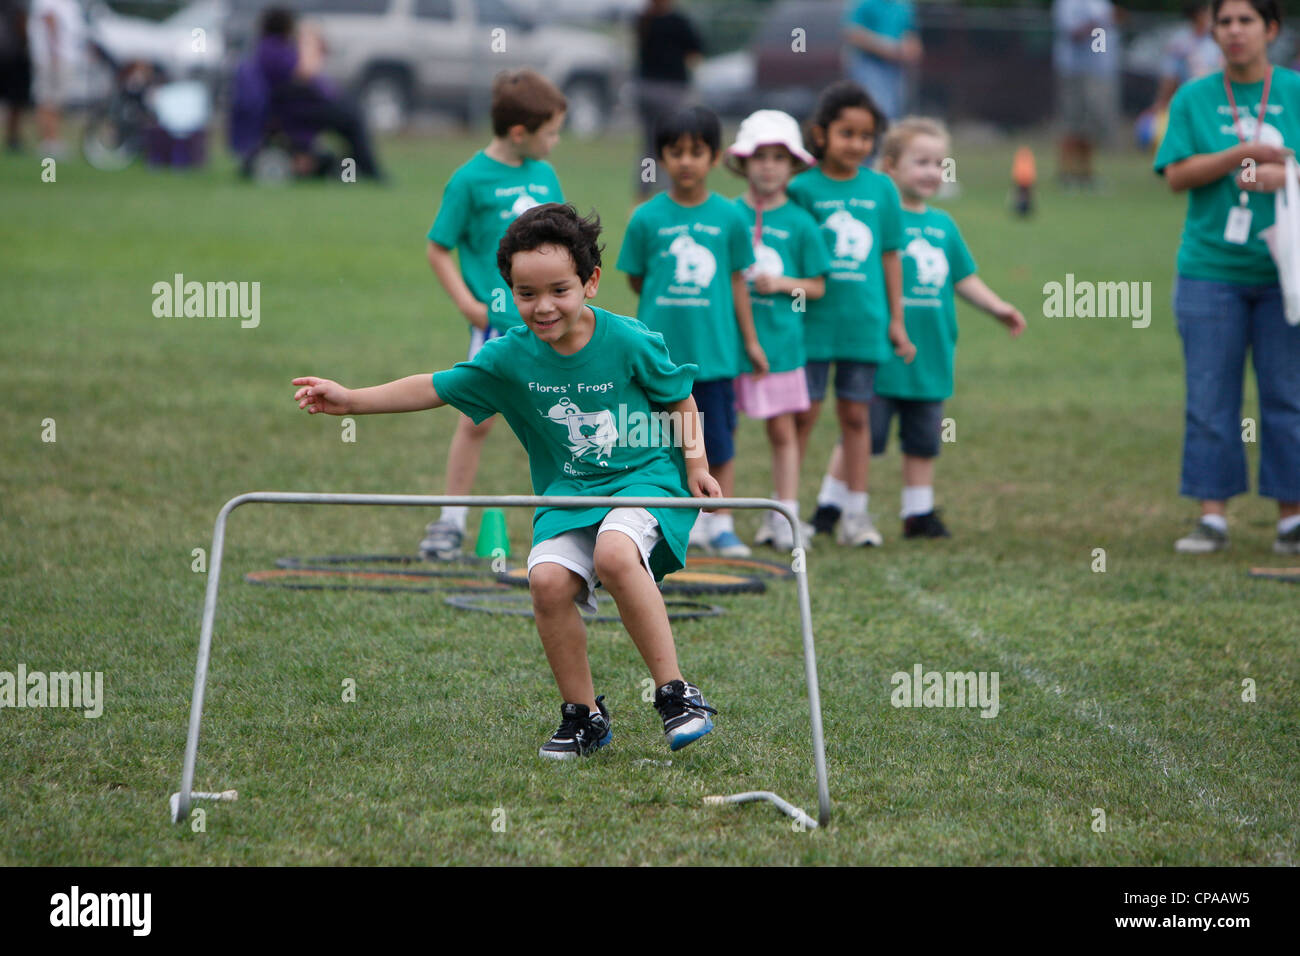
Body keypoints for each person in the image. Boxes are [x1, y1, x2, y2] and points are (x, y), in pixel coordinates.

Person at [293, 203, 722, 758]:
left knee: (616, 556)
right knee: (545, 582)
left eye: (559, 290)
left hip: (645, 482)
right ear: (510, 292)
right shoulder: (507, 357)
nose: (543, 307)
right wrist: (351, 400)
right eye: (526, 293)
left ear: (590, 282)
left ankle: (675, 694)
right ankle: (583, 715)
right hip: (568, 495)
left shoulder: (629, 340)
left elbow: (679, 398)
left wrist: (696, 466)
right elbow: (434, 386)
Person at [1154, 0, 1300, 554]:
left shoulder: (1294, 91)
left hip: (1286, 269)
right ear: (1211, 30)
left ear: (1272, 29)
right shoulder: (1194, 96)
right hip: (1210, 270)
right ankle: (1211, 515)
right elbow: (1176, 174)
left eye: (1246, 21)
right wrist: (1240, 153)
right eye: (1225, 22)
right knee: (1211, 396)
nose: (1235, 32)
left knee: (1288, 395)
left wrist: (1285, 173)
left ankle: (1292, 517)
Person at [420, 69, 566, 560]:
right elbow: (438, 248)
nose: (557, 141)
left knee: (566, 416)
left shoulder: (544, 175)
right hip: (496, 325)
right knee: (475, 420)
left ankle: (580, 518)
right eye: (551, 132)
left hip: (551, 321)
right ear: (521, 133)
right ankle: (450, 520)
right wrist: (467, 303)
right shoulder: (469, 180)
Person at [617, 105, 768, 557]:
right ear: (661, 157)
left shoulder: (730, 217)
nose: (685, 161)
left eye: (696, 151)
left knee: (718, 440)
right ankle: (672, 519)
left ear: (715, 157)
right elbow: (638, 278)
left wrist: (751, 342)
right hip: (659, 361)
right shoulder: (646, 217)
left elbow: (738, 280)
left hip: (716, 356)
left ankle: (719, 522)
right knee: (660, 443)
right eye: (675, 151)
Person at [868, 117, 1026, 539]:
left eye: (939, 164)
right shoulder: (879, 221)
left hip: (933, 351)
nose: (932, 172)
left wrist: (997, 308)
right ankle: (838, 503)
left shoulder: (942, 225)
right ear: (890, 167)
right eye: (920, 162)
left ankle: (918, 512)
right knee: (864, 433)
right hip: (883, 351)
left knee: (923, 438)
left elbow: (963, 278)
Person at [789, 81, 915, 547]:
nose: (857, 144)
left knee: (857, 418)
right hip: (812, 326)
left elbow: (889, 256)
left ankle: (856, 515)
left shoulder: (882, 189)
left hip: (865, 326)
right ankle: (787, 512)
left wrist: (896, 320)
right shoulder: (800, 188)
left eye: (866, 136)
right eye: (847, 133)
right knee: (803, 416)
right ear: (821, 134)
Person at [724, 110, 830, 550]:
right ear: (744, 163)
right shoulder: (726, 214)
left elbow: (819, 285)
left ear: (793, 166)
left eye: (778, 158)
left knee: (783, 432)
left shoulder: (802, 223)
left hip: (783, 346)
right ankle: (716, 521)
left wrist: (783, 284)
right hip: (727, 346)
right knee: (719, 431)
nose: (769, 166)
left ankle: (784, 514)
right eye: (760, 156)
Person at [253, 7, 385, 180]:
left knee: (352, 114)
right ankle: (367, 171)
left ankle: (355, 170)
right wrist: (309, 40)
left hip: (304, 103)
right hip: (298, 107)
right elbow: (306, 71)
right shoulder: (274, 49)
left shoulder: (272, 47)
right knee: (353, 118)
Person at [633, 0, 702, 198]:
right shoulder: (678, 21)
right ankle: (667, 192)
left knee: (649, 146)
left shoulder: (643, 19)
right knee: (672, 144)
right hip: (672, 90)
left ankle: (644, 191)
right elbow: (695, 53)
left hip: (645, 88)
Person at [1052, 0, 1122, 189]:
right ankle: (1066, 174)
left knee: (1090, 125)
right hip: (1077, 71)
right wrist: (1096, 22)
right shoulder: (1069, 3)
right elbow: (1072, 33)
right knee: (1073, 122)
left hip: (1100, 71)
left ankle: (1085, 175)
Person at [842, 0, 922, 122]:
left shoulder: (904, 6)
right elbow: (852, 33)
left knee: (895, 111)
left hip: (896, 67)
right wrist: (885, 48)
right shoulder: (865, 3)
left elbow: (910, 34)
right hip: (869, 65)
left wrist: (911, 50)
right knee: (877, 109)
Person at [26, 0, 83, 159]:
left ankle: (53, 139)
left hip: (62, 57)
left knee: (55, 101)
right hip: (52, 59)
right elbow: (49, 21)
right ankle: (48, 141)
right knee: (48, 100)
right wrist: (54, 52)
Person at [0, 0, 30, 152]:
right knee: (15, 101)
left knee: (15, 101)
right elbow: (21, 20)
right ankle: (13, 138)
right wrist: (27, 43)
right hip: (13, 53)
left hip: (9, 51)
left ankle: (13, 139)